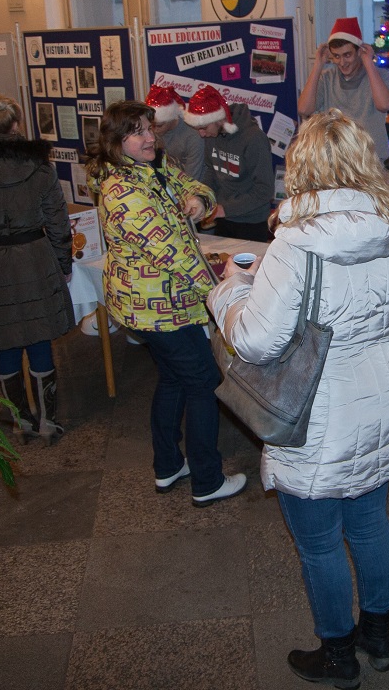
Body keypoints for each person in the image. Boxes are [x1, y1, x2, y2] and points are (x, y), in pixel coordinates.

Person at [208, 110, 389, 688]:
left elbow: (256, 339)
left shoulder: (294, 245)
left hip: (315, 414)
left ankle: (338, 654)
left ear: (303, 167)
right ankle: (378, 635)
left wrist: (229, 290)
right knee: (370, 524)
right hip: (379, 398)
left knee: (320, 542)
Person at [87, 100, 246, 505]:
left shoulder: (152, 167)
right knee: (203, 382)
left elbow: (197, 186)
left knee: (175, 379)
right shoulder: (123, 191)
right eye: (137, 132)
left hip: (164, 304)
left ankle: (169, 465)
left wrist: (198, 202)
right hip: (157, 308)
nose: (149, 138)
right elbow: (176, 254)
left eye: (149, 128)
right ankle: (207, 481)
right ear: (116, 142)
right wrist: (221, 295)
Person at [0, 93, 75, 444]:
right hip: (35, 259)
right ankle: (49, 421)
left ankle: (22, 422)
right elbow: (58, 221)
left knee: (4, 342)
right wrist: (63, 263)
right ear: (17, 125)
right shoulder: (40, 167)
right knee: (39, 337)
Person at [183, 84, 274, 242]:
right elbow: (211, 171)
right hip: (223, 219)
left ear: (218, 119)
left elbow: (264, 190)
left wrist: (223, 209)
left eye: (203, 128)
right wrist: (201, 197)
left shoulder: (254, 138)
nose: (201, 134)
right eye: (198, 129)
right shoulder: (212, 135)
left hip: (251, 221)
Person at [298, 17, 389, 163]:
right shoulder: (327, 78)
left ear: (359, 51)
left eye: (347, 55)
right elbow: (304, 109)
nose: (342, 62)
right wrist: (318, 64)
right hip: (335, 160)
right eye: (336, 56)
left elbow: (384, 105)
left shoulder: (380, 76)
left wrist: (368, 62)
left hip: (370, 161)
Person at [145, 83, 214, 188]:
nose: (154, 131)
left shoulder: (193, 135)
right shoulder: (153, 133)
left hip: (195, 186)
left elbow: (192, 178)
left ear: (171, 118)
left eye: (159, 126)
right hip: (170, 184)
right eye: (151, 126)